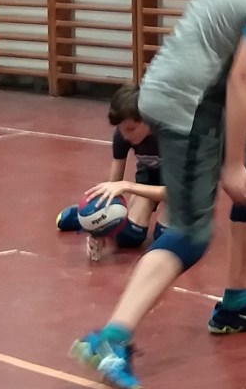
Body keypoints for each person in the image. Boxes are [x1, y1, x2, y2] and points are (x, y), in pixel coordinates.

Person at [68, 0, 246, 389]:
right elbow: (241, 77)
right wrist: (231, 163)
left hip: (184, 94)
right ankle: (110, 340)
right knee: (190, 234)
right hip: (186, 109)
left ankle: (236, 304)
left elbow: (210, 58)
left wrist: (243, 130)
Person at [56, 84, 167, 261]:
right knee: (129, 237)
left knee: (166, 238)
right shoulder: (122, 134)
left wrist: (127, 186)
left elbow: (178, 192)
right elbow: (112, 187)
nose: (125, 136)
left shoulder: (173, 136)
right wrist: (99, 224)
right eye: (121, 130)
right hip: (150, 178)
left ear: (148, 119)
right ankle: (81, 216)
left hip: (183, 187)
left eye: (130, 129)